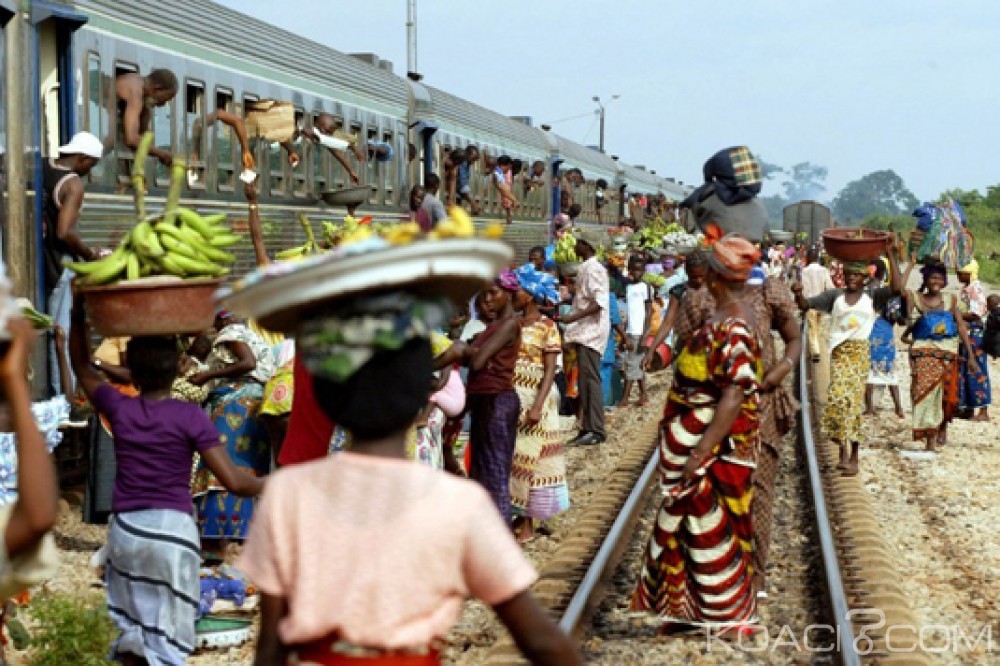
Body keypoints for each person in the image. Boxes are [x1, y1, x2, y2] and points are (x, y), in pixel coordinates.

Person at [237, 284, 580, 666]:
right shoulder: (458, 504)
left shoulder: (289, 494)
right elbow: (541, 641)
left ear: (328, 397)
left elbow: (270, 650)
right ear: (423, 392)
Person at [69, 296, 263, 665]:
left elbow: (81, 365)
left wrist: (79, 310)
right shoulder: (189, 415)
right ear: (179, 368)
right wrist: (273, 482)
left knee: (128, 627)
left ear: (131, 374)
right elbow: (236, 483)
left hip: (126, 530)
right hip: (174, 531)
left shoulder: (119, 406)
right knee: (171, 635)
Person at [653, 241, 801, 596]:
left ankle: (755, 576)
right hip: (711, 410)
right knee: (708, 493)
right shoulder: (700, 300)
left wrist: (782, 368)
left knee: (758, 492)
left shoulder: (769, 293)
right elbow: (686, 352)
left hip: (760, 407)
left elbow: (794, 338)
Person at [630, 235, 762, 632]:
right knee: (689, 526)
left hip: (717, 447)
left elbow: (735, 391)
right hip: (699, 440)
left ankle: (727, 614)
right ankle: (689, 610)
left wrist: (700, 452)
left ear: (717, 278)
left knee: (714, 527)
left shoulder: (734, 323)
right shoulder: (725, 315)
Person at [794, 240, 902, 475]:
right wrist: (798, 293)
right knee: (837, 400)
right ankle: (842, 449)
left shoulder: (872, 297)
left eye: (857, 276)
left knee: (851, 404)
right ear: (843, 277)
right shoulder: (835, 297)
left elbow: (897, 287)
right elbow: (806, 305)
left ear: (865, 278)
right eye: (849, 275)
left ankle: (853, 455)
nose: (852, 279)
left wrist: (891, 254)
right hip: (839, 354)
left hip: (859, 354)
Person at [189, 312, 275, 546]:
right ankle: (248, 531)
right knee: (250, 464)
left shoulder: (230, 334)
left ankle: (218, 531)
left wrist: (208, 374)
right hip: (257, 403)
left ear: (222, 321)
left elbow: (248, 363)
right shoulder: (254, 336)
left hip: (235, 405)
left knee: (222, 462)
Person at [449, 272, 522, 521]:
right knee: (481, 470)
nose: (487, 300)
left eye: (494, 293)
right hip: (484, 401)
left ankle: (501, 534)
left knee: (495, 471)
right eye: (484, 294)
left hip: (497, 403)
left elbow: (478, 362)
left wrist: (461, 351)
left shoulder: (510, 324)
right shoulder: (492, 327)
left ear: (508, 293)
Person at [42, 132, 104, 397]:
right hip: (59, 262)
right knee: (62, 333)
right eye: (92, 165)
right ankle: (62, 398)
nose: (89, 172)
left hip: (41, 259)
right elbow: (64, 231)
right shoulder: (73, 184)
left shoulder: (42, 165)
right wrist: (90, 255)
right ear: (83, 158)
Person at [509, 265, 568, 542]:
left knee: (529, 458)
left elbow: (549, 371)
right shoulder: (514, 324)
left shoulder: (548, 328)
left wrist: (537, 406)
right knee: (513, 457)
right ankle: (516, 517)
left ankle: (527, 522)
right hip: (512, 395)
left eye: (518, 290)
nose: (513, 295)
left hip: (535, 396)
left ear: (530, 295)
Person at [902, 262, 977, 451]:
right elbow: (898, 288)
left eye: (940, 278)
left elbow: (960, 327)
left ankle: (941, 429)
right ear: (926, 280)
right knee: (923, 394)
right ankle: (929, 437)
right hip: (924, 353)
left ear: (944, 282)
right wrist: (910, 264)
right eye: (932, 277)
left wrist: (970, 356)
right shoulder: (916, 298)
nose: (936, 281)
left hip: (948, 353)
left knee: (946, 396)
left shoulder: (951, 300)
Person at [561, 230, 609, 446]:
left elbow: (599, 302)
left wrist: (572, 317)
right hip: (584, 331)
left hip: (591, 332)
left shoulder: (594, 270)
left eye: (579, 242)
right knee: (584, 381)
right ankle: (587, 427)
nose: (575, 246)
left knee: (590, 381)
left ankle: (596, 430)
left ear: (587, 246)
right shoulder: (586, 269)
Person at [864, 257, 916, 419]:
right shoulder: (888, 291)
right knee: (890, 371)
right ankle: (898, 408)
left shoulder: (866, 287)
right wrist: (910, 265)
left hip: (868, 331)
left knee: (869, 371)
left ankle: (870, 407)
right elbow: (896, 310)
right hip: (885, 332)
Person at [113, 69, 178, 165]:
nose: (162, 104)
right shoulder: (136, 91)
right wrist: (162, 154)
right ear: (157, 90)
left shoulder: (144, 102)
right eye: (165, 99)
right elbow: (131, 139)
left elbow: (142, 139)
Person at [956, 258, 991, 421]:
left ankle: (983, 411)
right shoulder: (967, 288)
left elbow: (976, 314)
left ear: (969, 273)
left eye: (960, 272)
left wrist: (955, 314)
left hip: (975, 335)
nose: (957, 274)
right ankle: (968, 408)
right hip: (967, 334)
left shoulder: (975, 288)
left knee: (978, 371)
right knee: (965, 370)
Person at [286, 113, 362, 183]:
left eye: (330, 133)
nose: (328, 135)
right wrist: (352, 147)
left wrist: (350, 171)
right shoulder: (311, 130)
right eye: (327, 131)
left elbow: (335, 150)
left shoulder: (318, 133)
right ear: (320, 125)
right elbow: (326, 141)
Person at [620, 256, 653, 408]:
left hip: (639, 332)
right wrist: (624, 334)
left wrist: (644, 336)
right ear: (630, 270)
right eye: (634, 270)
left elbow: (648, 313)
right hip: (631, 330)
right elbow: (629, 312)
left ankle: (625, 398)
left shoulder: (645, 287)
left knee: (631, 365)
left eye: (640, 270)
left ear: (644, 271)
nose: (637, 273)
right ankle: (644, 395)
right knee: (637, 364)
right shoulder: (628, 287)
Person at [800, 246, 835, 361]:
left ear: (809, 257)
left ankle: (815, 351)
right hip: (822, 302)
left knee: (812, 328)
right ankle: (818, 349)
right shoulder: (824, 270)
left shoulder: (805, 271)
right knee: (818, 327)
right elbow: (830, 287)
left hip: (810, 303)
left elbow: (804, 288)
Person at [453, 145, 481, 214]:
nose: (473, 162)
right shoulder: (463, 163)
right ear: (467, 154)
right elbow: (462, 185)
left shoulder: (466, 164)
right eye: (473, 159)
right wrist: (473, 203)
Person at [493, 156, 519, 224]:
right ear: (508, 165)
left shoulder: (499, 173)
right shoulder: (497, 173)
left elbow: (503, 188)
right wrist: (513, 199)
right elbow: (502, 188)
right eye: (509, 168)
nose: (509, 171)